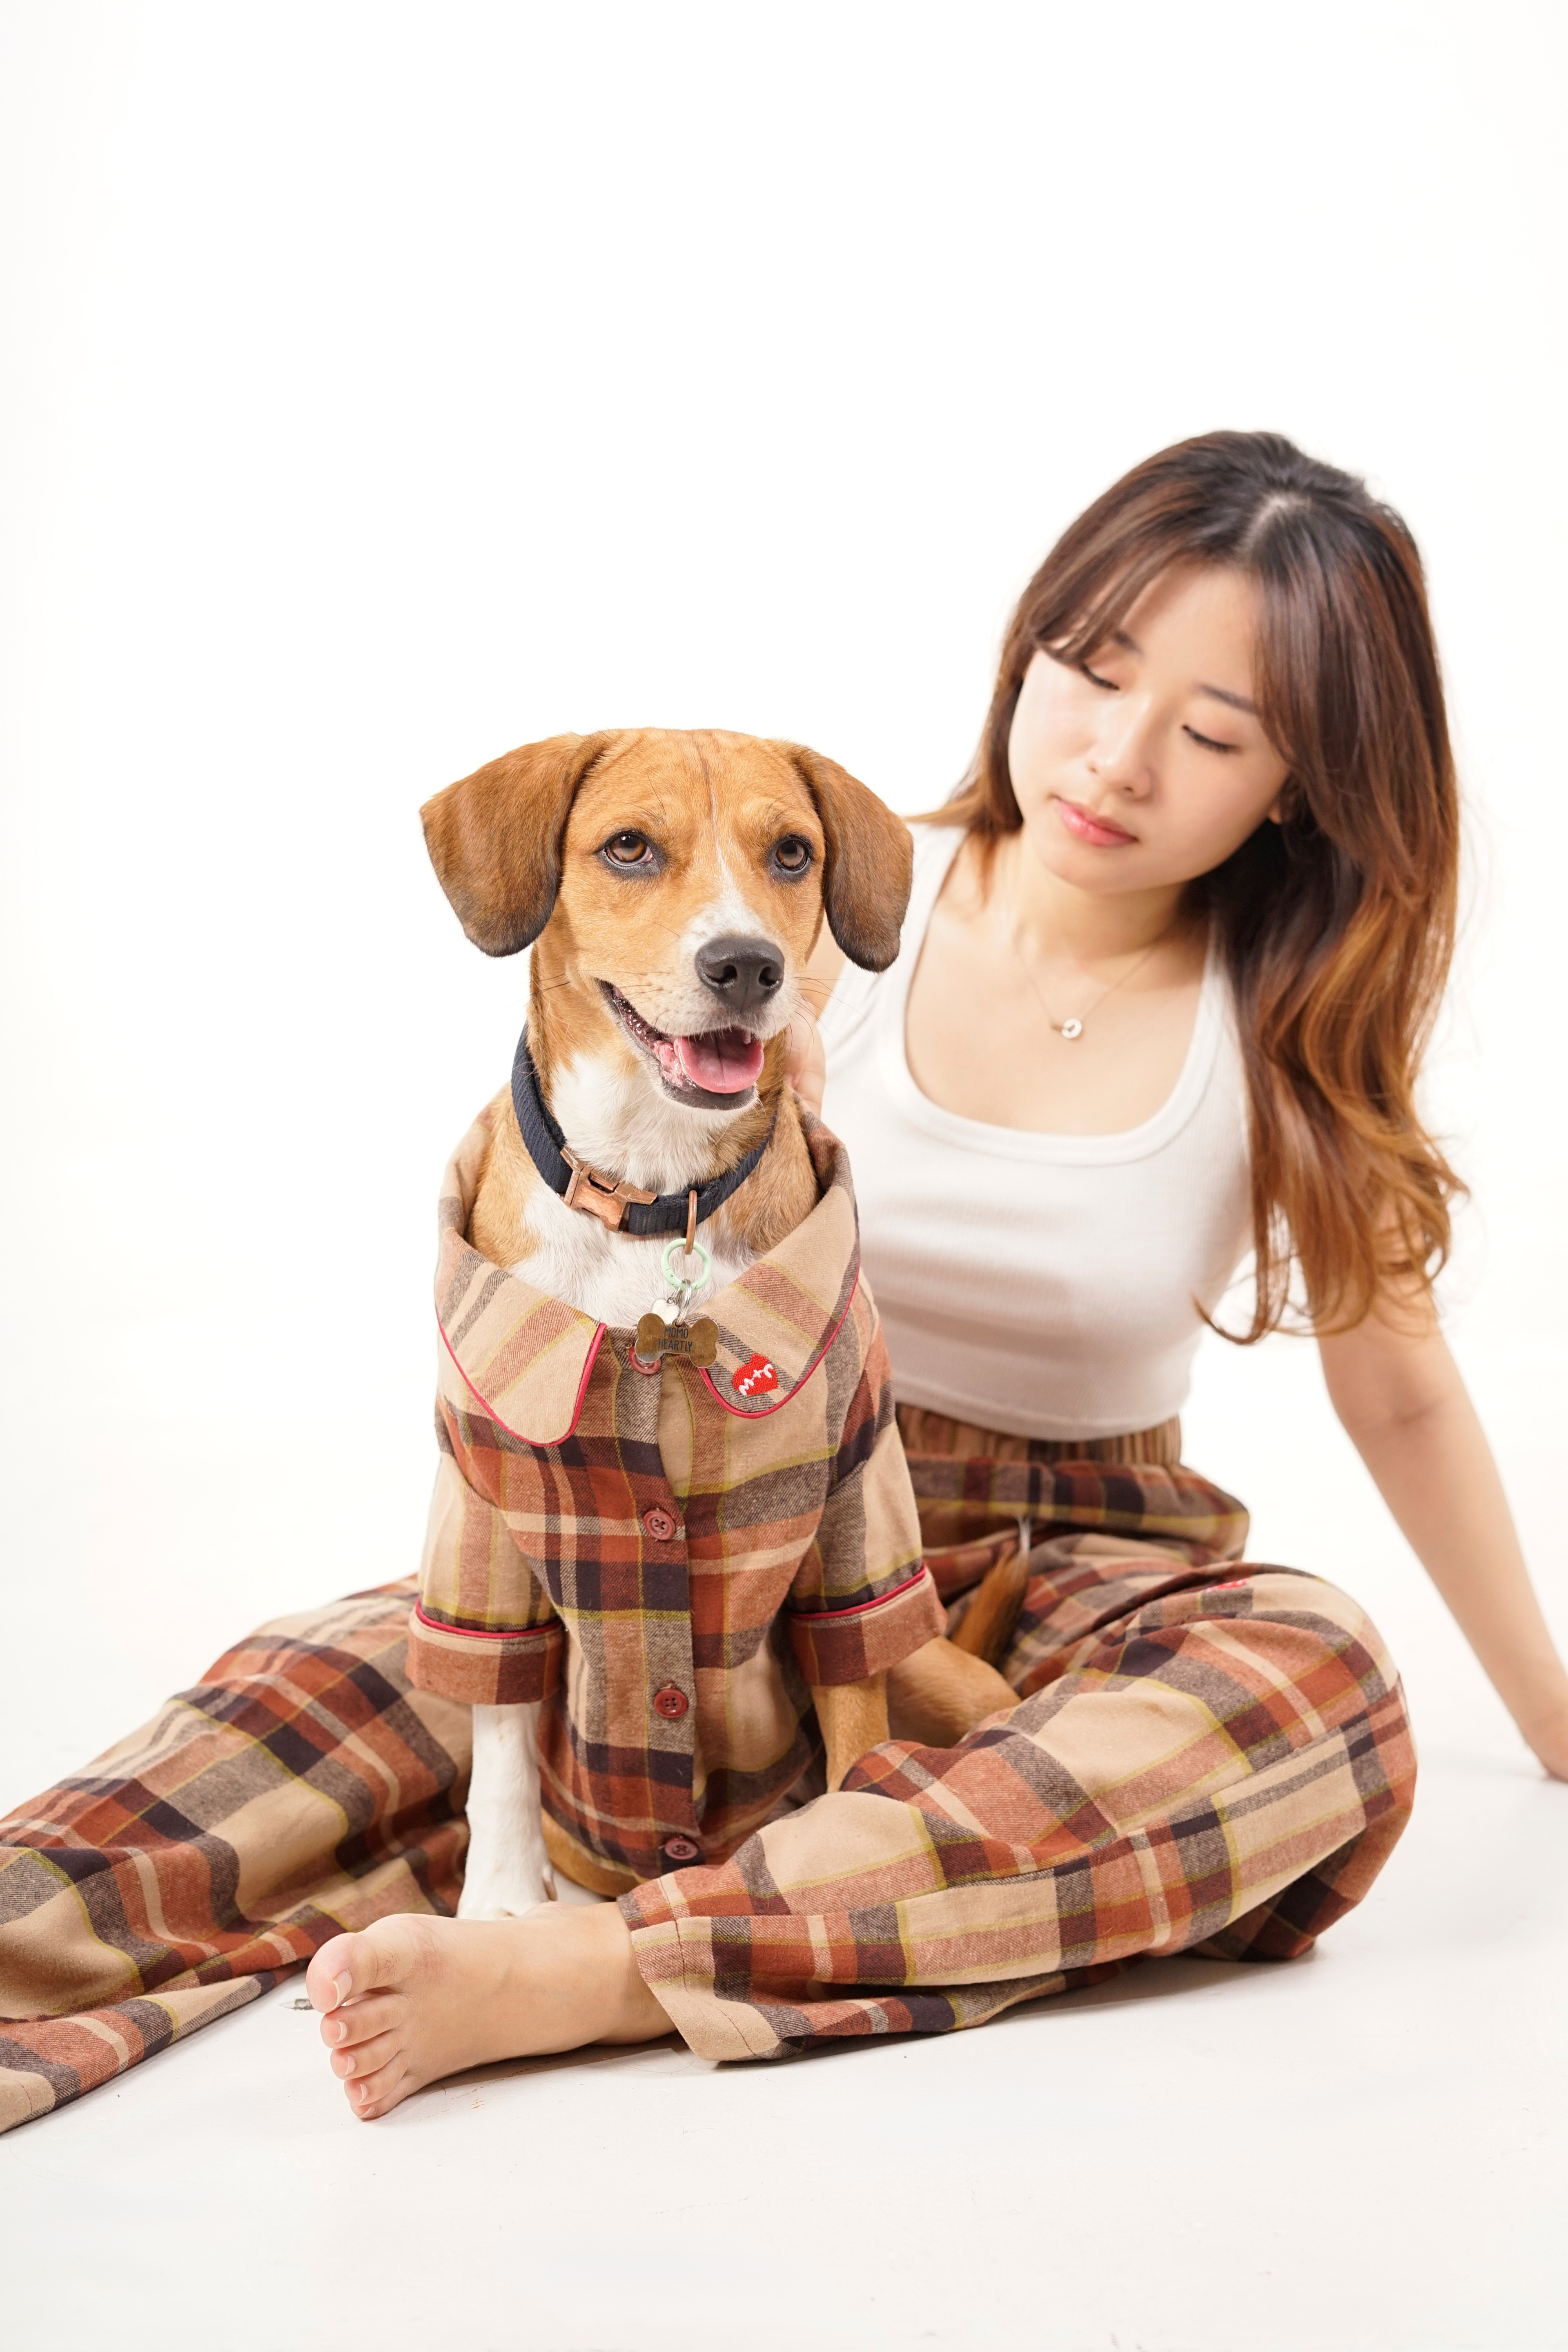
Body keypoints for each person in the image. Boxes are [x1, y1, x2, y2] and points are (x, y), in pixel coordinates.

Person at [4, 432, 1561, 2134]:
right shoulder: (797, 895)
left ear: (1298, 783)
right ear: (1028, 646)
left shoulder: (1286, 1029)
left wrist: (1552, 1714)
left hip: (1068, 1576)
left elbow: (1398, 1387)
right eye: (1091, 669)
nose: (1114, 756)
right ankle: (789, 1883)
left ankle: (604, 1971)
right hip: (687, 1511)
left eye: (1210, 732)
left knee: (1317, 1684)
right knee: (318, 1697)